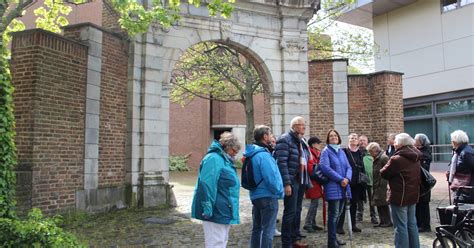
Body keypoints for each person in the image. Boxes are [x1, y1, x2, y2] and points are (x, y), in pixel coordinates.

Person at [191, 132, 241, 248]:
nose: (234, 154)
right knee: (215, 242)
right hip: (215, 209)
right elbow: (206, 184)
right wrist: (207, 206)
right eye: (233, 151)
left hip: (223, 208)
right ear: (226, 147)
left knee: (221, 240)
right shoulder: (213, 159)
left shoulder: (223, 159)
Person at [274, 116, 312, 248]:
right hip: (291, 181)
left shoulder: (301, 141)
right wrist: (286, 183)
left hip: (300, 180)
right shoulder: (285, 139)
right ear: (294, 126)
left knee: (297, 211)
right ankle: (286, 243)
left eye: (304, 124)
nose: (304, 127)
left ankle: (295, 238)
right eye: (301, 125)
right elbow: (281, 163)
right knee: (290, 212)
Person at [245, 125, 284, 248]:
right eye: (270, 134)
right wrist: (280, 191)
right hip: (268, 196)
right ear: (265, 136)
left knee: (256, 229)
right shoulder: (264, 155)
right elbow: (271, 178)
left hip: (256, 195)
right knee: (268, 230)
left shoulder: (252, 153)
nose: (272, 137)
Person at [380, 133, 421, 248]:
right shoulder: (416, 156)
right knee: (412, 224)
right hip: (412, 194)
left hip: (400, 196)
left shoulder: (397, 159)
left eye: (396, 141)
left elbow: (383, 173)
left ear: (401, 144)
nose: (394, 143)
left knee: (401, 226)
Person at [319, 129, 352, 248]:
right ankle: (331, 242)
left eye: (335, 135)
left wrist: (347, 179)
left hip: (344, 186)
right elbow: (325, 168)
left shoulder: (341, 151)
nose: (333, 137)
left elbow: (349, 167)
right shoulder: (326, 151)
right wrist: (340, 179)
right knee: (333, 215)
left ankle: (335, 238)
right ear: (328, 139)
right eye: (331, 136)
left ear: (338, 138)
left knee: (338, 214)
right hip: (333, 186)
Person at [337, 133, 364, 234]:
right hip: (346, 181)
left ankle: (353, 225)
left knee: (354, 205)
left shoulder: (360, 152)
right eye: (351, 138)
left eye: (355, 138)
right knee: (343, 204)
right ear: (348, 140)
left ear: (358, 141)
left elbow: (362, 167)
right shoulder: (343, 151)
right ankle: (339, 226)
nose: (353, 139)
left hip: (357, 182)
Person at [366, 142, 392, 228]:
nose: (370, 154)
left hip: (382, 185)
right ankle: (382, 221)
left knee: (383, 204)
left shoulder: (383, 158)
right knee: (379, 203)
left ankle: (387, 221)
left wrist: (383, 182)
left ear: (375, 150)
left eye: (370, 152)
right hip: (377, 184)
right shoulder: (377, 158)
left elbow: (388, 170)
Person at [303, 136, 324, 233]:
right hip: (313, 182)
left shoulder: (315, 153)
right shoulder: (311, 153)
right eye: (318, 143)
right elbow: (311, 169)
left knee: (315, 203)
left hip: (315, 182)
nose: (320, 145)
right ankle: (308, 223)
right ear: (313, 145)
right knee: (314, 204)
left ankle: (313, 223)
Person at [448, 130, 474, 203]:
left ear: (455, 142)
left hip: (467, 190)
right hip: (463, 188)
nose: (451, 143)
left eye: (452, 140)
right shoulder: (460, 151)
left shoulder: (465, 153)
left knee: (462, 211)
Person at [357, 135, 378, 225]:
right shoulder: (356, 152)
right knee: (360, 198)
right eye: (360, 140)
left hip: (370, 179)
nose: (362, 142)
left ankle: (373, 216)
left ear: (367, 142)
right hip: (360, 179)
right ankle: (359, 214)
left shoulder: (371, 152)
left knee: (371, 199)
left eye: (364, 140)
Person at [414, 133, 432, 232]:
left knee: (423, 204)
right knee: (418, 203)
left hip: (424, 182)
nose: (414, 141)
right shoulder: (419, 151)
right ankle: (419, 223)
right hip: (418, 182)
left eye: (416, 140)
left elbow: (424, 165)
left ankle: (425, 225)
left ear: (421, 141)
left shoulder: (425, 152)